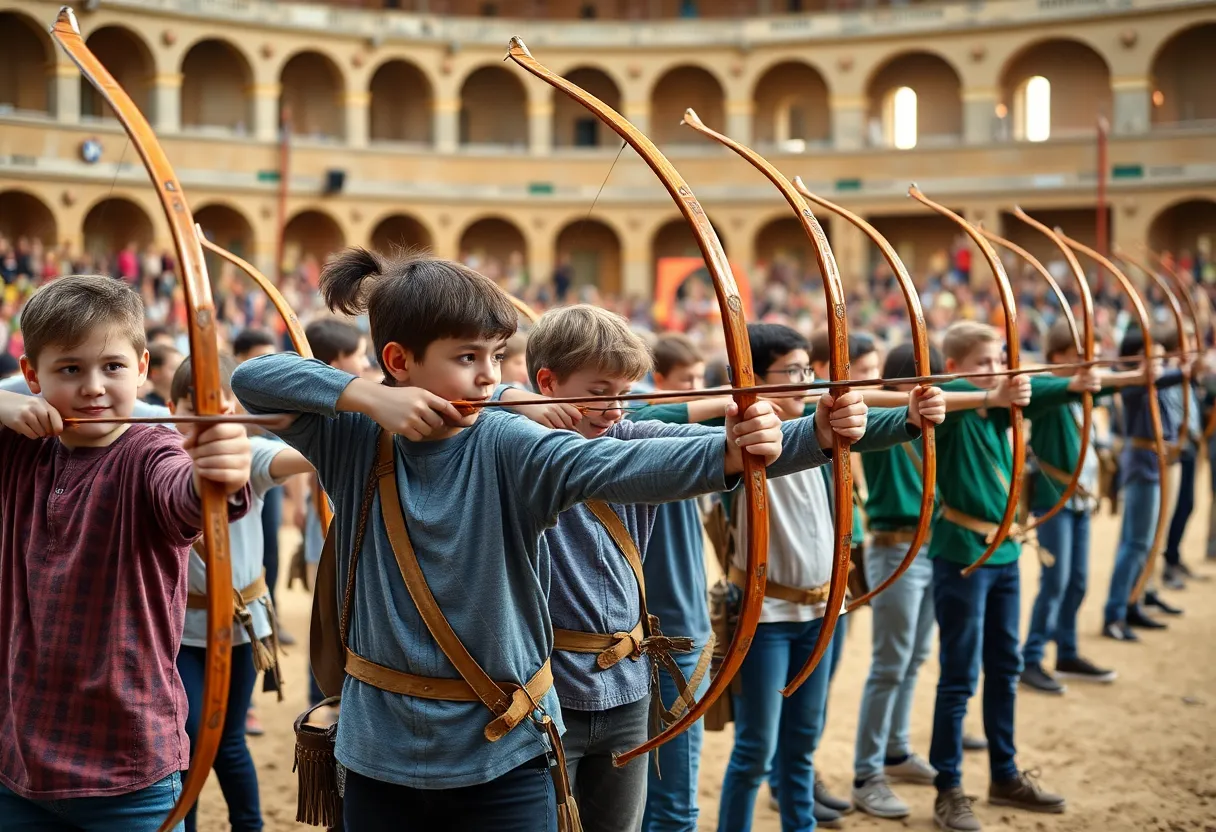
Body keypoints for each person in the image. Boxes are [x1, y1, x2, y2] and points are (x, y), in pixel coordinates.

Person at [230, 248, 791, 830]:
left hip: (504, 751)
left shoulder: (506, 441)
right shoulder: (353, 439)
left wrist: (741, 451)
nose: (490, 376)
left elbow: (617, 465)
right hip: (380, 750)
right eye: (467, 357)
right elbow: (252, 378)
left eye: (496, 356)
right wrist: (368, 396)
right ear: (398, 360)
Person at [496, 307, 867, 832]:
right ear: (547, 383)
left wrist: (819, 434)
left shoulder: (627, 436)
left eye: (625, 391)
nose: (615, 408)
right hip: (543, 691)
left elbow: (711, 451)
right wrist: (509, 397)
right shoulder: (507, 447)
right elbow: (457, 406)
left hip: (627, 689)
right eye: (600, 390)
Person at [0, 274, 252, 831]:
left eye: (112, 367)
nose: (93, 387)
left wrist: (216, 473)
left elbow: (182, 494)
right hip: (18, 762)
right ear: (31, 375)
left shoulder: (151, 450)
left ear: (141, 368)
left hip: (126, 770)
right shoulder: (20, 446)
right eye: (70, 369)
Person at [714, 323, 945, 832]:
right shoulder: (730, 436)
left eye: (806, 369)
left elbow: (860, 430)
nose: (804, 381)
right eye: (790, 371)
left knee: (801, 745)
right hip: (766, 616)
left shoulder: (817, 431)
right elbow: (655, 414)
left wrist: (909, 414)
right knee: (755, 751)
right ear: (749, 377)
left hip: (822, 614)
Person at [928, 320, 1096, 832]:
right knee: (959, 677)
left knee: (1003, 667)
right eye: (983, 361)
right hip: (962, 556)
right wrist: (998, 388)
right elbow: (939, 391)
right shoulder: (953, 409)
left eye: (1001, 358)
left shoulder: (998, 412)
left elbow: (1036, 392)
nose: (997, 368)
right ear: (955, 367)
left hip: (1003, 558)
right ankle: (947, 788)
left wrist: (1065, 384)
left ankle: (1004, 773)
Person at [169, 355, 316, 832]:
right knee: (185, 739)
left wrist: (332, 411)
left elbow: (304, 454)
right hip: (179, 631)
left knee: (228, 738)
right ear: (174, 409)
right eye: (197, 410)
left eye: (225, 410)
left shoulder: (249, 454)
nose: (213, 423)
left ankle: (248, 826)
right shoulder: (158, 453)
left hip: (241, 627)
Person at [1018, 319, 1151, 694]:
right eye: (1078, 355)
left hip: (1077, 500)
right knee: (1055, 581)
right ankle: (1031, 658)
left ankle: (1067, 651)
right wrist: (1082, 382)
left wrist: (1137, 374)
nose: (1086, 363)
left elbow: (1105, 383)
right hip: (1053, 498)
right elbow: (1052, 388)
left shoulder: (1079, 390)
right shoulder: (1047, 388)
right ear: (1057, 356)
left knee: (1076, 581)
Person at [1102, 327, 1190, 641]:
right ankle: (1115, 612)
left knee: (1143, 542)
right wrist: (1185, 369)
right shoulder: (1131, 383)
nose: (1155, 360)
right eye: (1148, 353)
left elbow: (1163, 377)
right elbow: (1160, 377)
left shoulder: (1146, 380)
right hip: (1141, 466)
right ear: (1136, 355)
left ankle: (1132, 602)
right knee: (1135, 543)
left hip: (1153, 464)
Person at [142, 341, 183, 407]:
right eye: (174, 368)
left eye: (182, 366)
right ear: (155, 373)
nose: (181, 372)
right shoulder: (147, 407)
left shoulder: (185, 402)